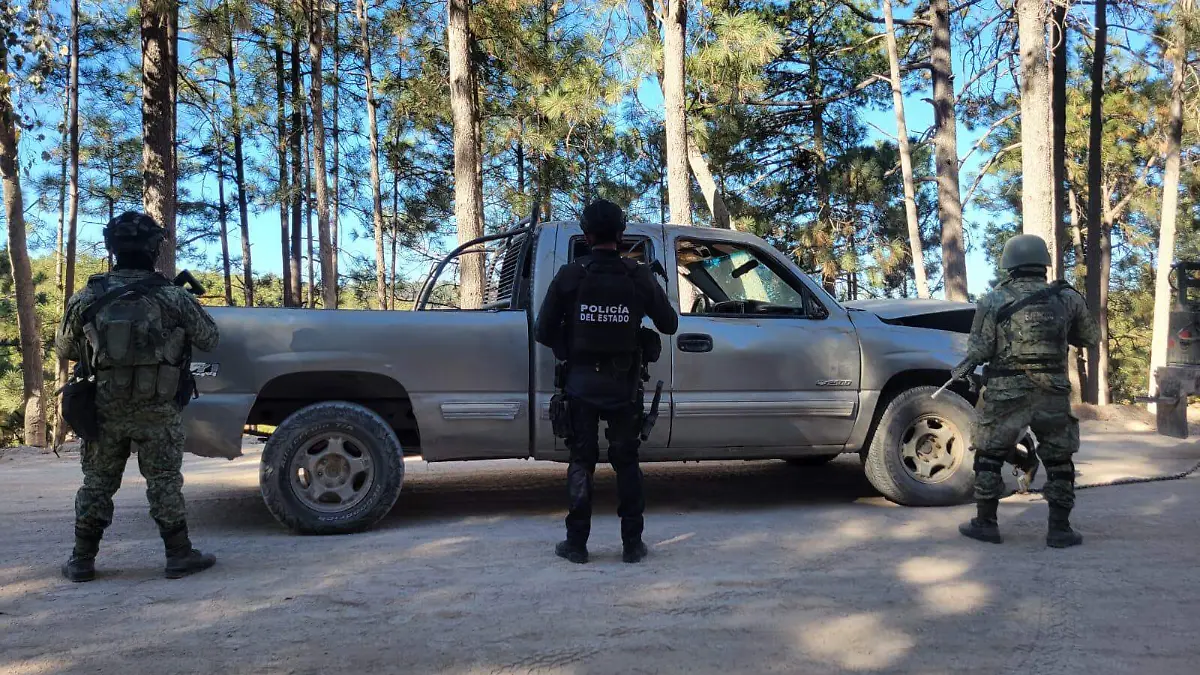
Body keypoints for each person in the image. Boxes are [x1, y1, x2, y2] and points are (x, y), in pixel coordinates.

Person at [57, 212, 221, 581]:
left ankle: (82, 560)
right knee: (164, 480)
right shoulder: (173, 296)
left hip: (104, 408)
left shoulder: (88, 295)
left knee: (98, 482)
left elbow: (65, 348)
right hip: (157, 408)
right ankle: (178, 554)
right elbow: (210, 339)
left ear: (112, 247)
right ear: (153, 248)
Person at [535, 199, 678, 564]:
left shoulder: (571, 275)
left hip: (580, 384)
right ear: (621, 234)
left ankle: (576, 544)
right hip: (624, 386)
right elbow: (669, 324)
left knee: (581, 461)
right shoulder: (637, 275)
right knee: (626, 461)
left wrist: (572, 344)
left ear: (586, 236)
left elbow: (543, 331)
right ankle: (632, 544)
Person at [953, 234, 1100, 548]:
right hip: (1053, 391)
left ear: (1010, 265)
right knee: (1059, 459)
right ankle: (1060, 530)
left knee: (989, 455)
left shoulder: (994, 299)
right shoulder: (1068, 298)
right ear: (1043, 263)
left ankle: (986, 523)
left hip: (1006, 392)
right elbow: (1090, 338)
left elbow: (980, 350)